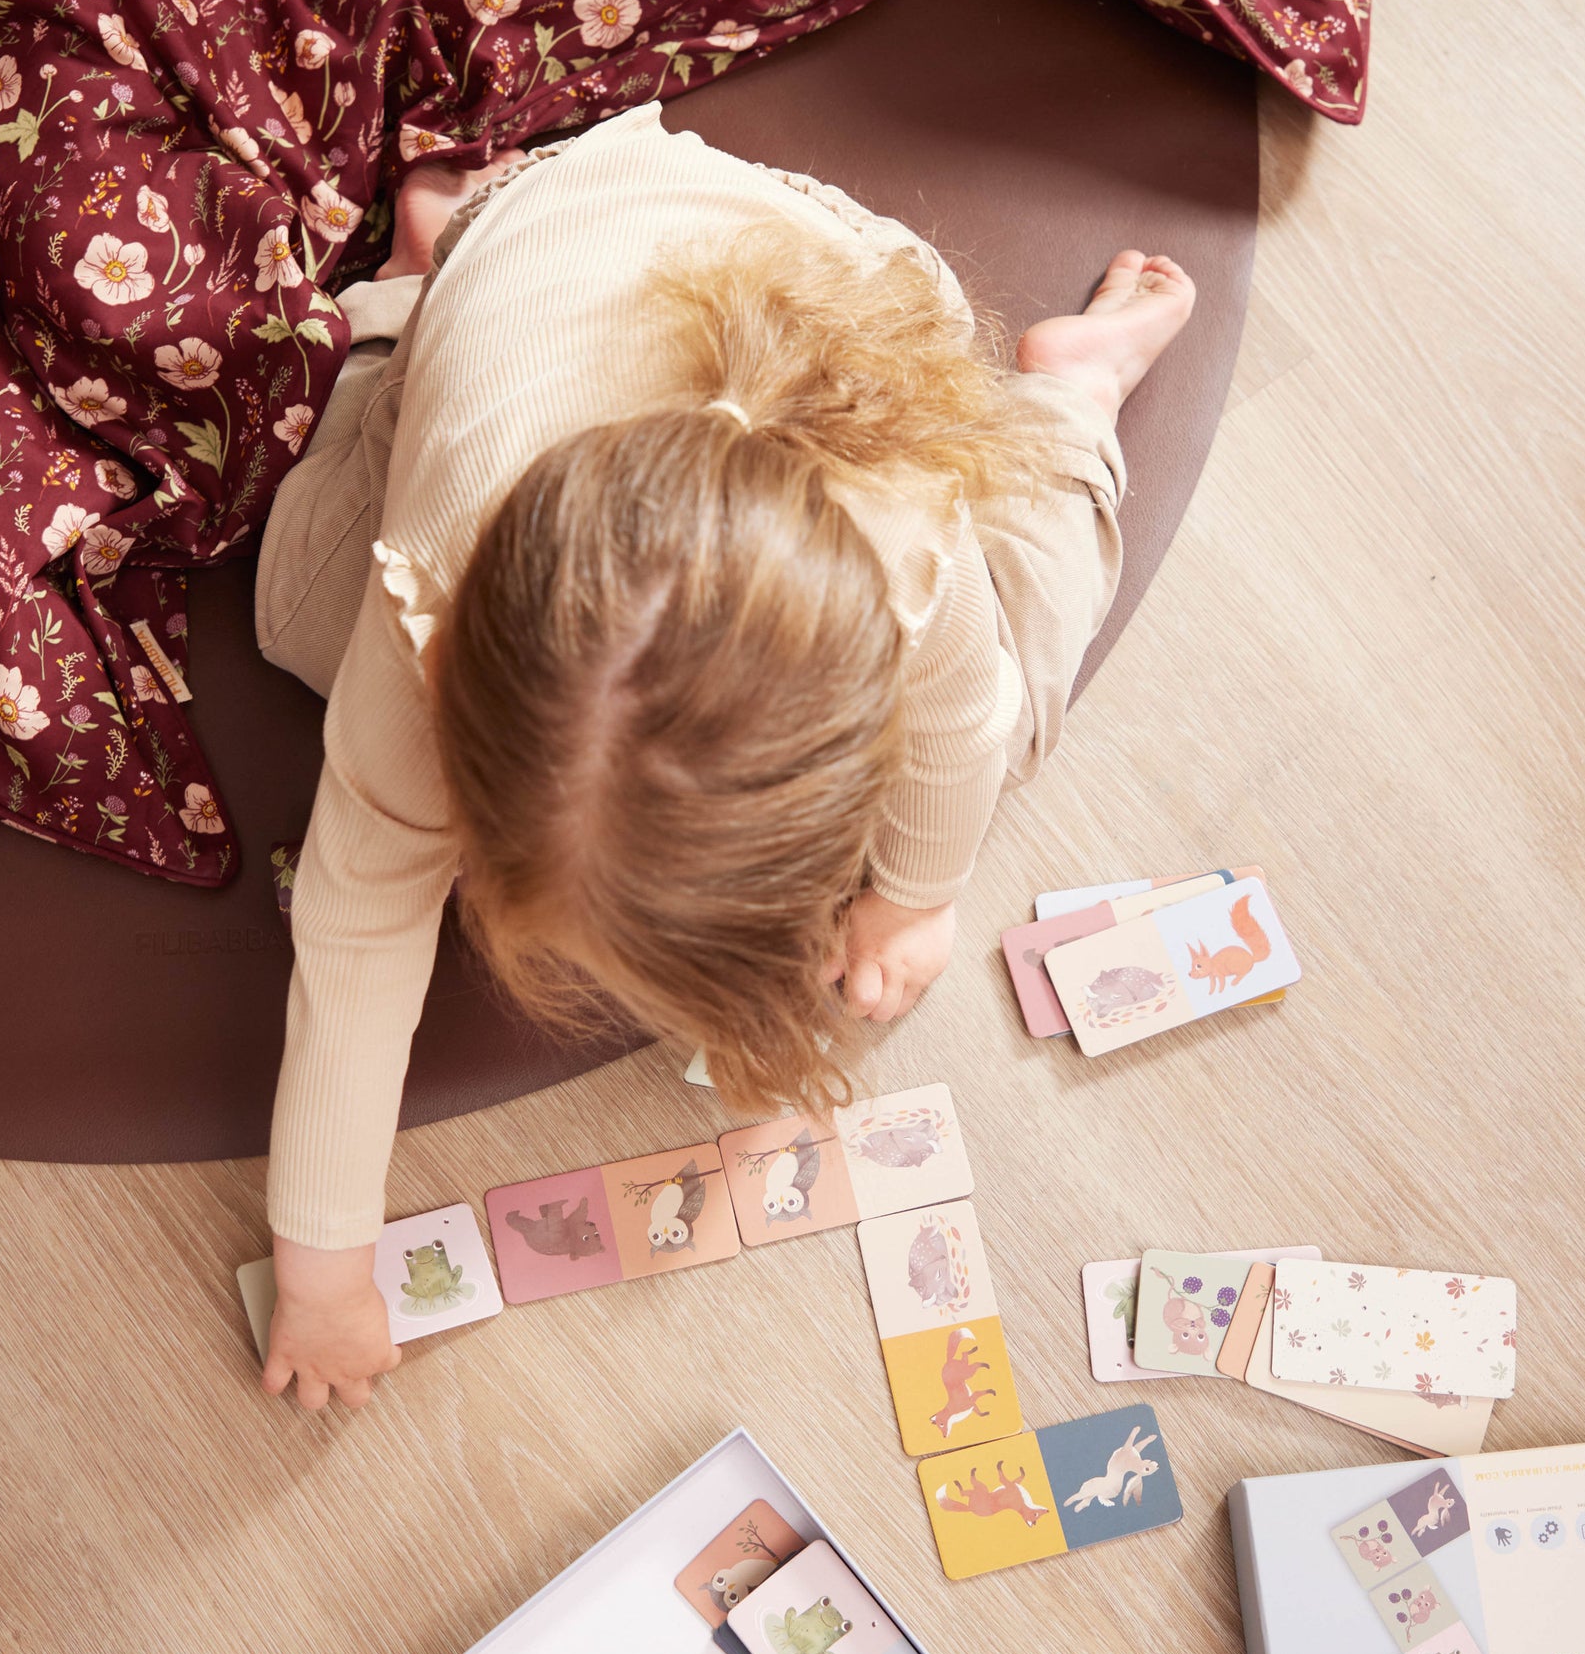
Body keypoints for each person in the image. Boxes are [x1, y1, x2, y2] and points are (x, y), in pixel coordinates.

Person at [253, 101, 1194, 1409]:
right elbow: (354, 935)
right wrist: (319, 1271)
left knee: (1007, 720)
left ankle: (1069, 397)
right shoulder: (426, 617)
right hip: (535, 233)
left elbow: (960, 724)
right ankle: (413, 290)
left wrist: (913, 895)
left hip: (836, 310)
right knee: (295, 614)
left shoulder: (892, 535)